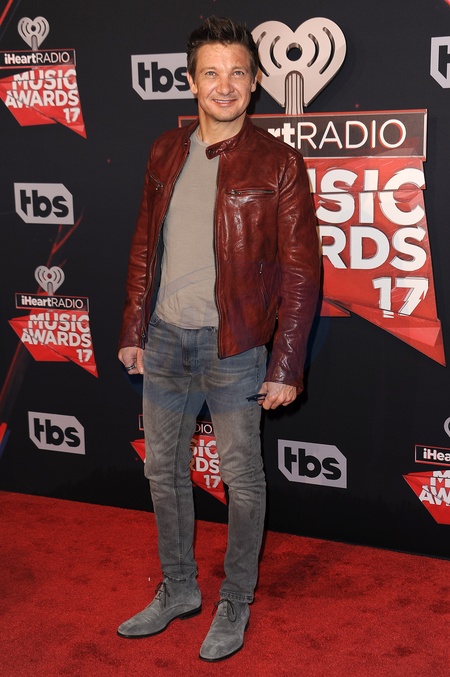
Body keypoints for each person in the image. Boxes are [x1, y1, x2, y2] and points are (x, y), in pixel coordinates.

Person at [117, 15, 320, 662]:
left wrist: (286, 364)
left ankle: (236, 598)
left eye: (237, 72)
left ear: (255, 82)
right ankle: (179, 587)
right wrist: (133, 326)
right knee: (161, 471)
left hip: (236, 348)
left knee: (242, 477)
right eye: (211, 72)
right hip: (165, 341)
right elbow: (145, 246)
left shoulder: (279, 162)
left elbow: (301, 271)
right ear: (191, 81)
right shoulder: (165, 150)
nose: (224, 85)